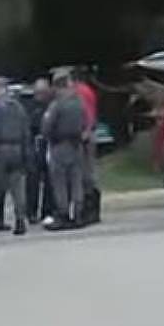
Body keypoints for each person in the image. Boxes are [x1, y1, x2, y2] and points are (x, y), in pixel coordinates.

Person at [0, 77, 31, 236]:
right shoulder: (19, 107)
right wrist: (25, 153)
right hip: (17, 149)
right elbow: (26, 132)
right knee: (17, 188)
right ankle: (20, 220)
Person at [41, 71, 86, 230]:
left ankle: (63, 214)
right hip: (76, 145)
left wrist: (48, 136)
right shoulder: (79, 102)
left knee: (60, 182)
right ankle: (78, 214)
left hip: (59, 145)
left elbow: (46, 127)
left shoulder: (57, 105)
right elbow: (85, 122)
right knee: (76, 181)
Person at [73, 68, 102, 227]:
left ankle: (91, 210)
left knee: (87, 173)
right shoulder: (87, 90)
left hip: (86, 135)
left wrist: (86, 130)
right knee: (88, 172)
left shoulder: (80, 92)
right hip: (90, 133)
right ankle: (92, 209)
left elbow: (87, 114)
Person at [25, 77, 55, 224]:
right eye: (38, 92)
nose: (40, 95)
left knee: (50, 180)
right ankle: (31, 211)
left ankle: (47, 211)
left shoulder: (52, 105)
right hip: (34, 145)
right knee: (32, 181)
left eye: (43, 92)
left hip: (49, 145)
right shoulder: (29, 106)